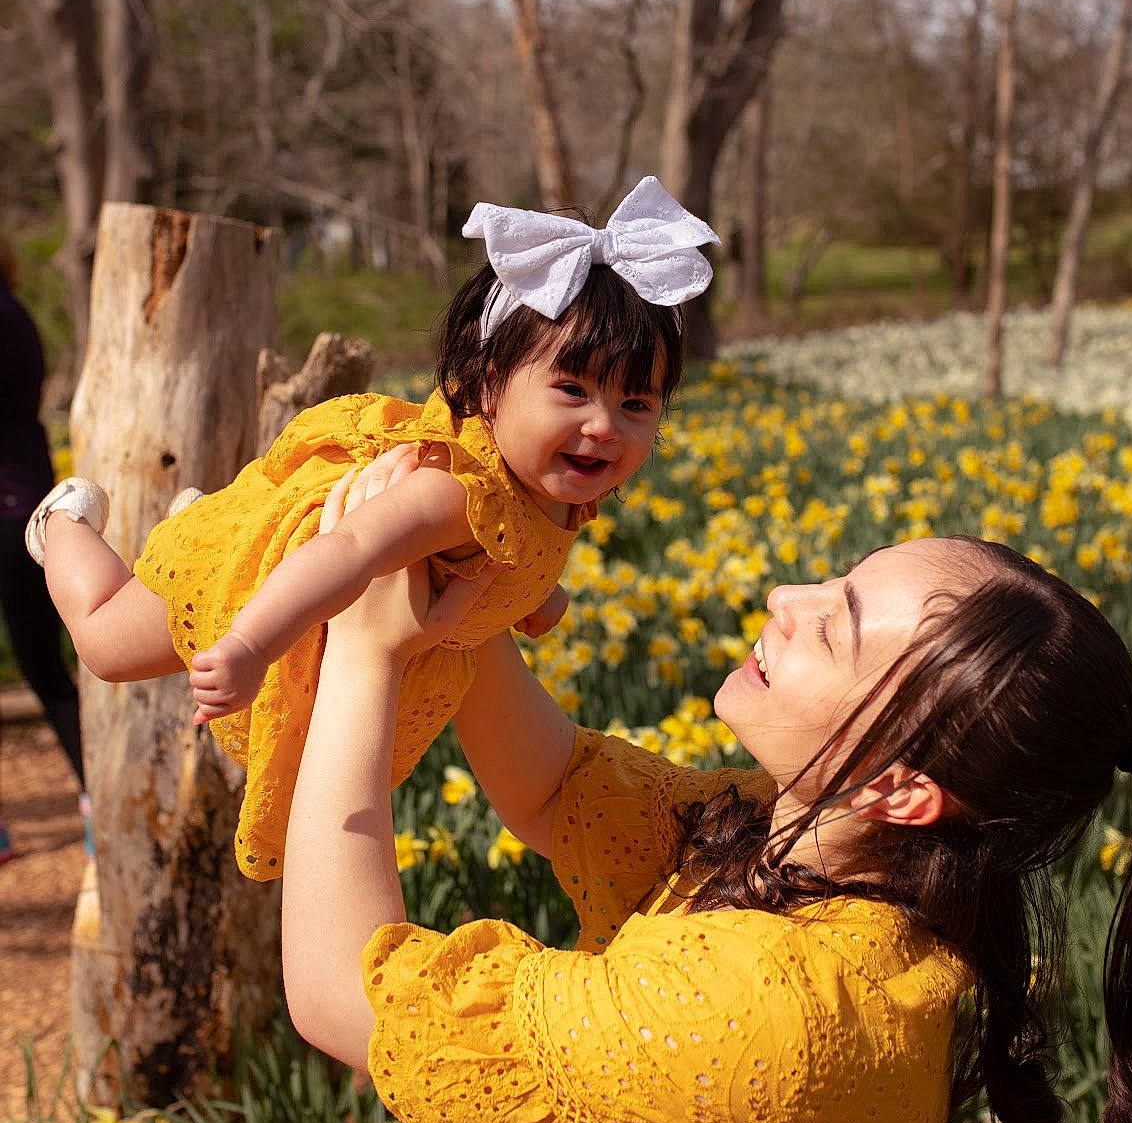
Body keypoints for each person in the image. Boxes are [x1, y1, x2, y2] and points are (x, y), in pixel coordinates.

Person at [118, 449, 1132, 1123]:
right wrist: (467, 583)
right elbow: (551, 786)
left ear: (902, 788)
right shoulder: (806, 850)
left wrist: (361, 652)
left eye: (834, 627)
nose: (788, 600)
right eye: (830, 582)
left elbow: (337, 995)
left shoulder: (779, 999)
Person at [25, 179, 717, 879]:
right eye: (572, 390)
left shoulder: (553, 488)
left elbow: (506, 555)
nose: (603, 426)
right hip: (274, 586)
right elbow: (350, 548)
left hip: (319, 601)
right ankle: (63, 522)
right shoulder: (452, 495)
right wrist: (248, 645)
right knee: (105, 643)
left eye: (636, 402)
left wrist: (535, 596)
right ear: (485, 385)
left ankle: (205, 522)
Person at [0, 234, 89, 863]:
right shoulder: (14, 310)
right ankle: (94, 798)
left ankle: (95, 801)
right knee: (46, 669)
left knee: (44, 668)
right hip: (22, 502)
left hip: (11, 511)